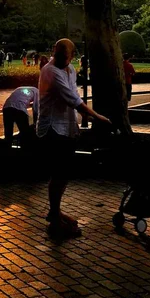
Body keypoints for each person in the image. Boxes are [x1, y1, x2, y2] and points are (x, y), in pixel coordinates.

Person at [37, 39, 111, 235]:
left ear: (72, 56)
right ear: (53, 51)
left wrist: (84, 115)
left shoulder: (70, 70)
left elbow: (73, 94)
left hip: (67, 127)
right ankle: (54, 219)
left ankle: (56, 212)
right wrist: (97, 116)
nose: (60, 58)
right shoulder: (50, 71)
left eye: (65, 55)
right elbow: (73, 99)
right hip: (53, 129)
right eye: (57, 54)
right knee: (59, 173)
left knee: (64, 173)